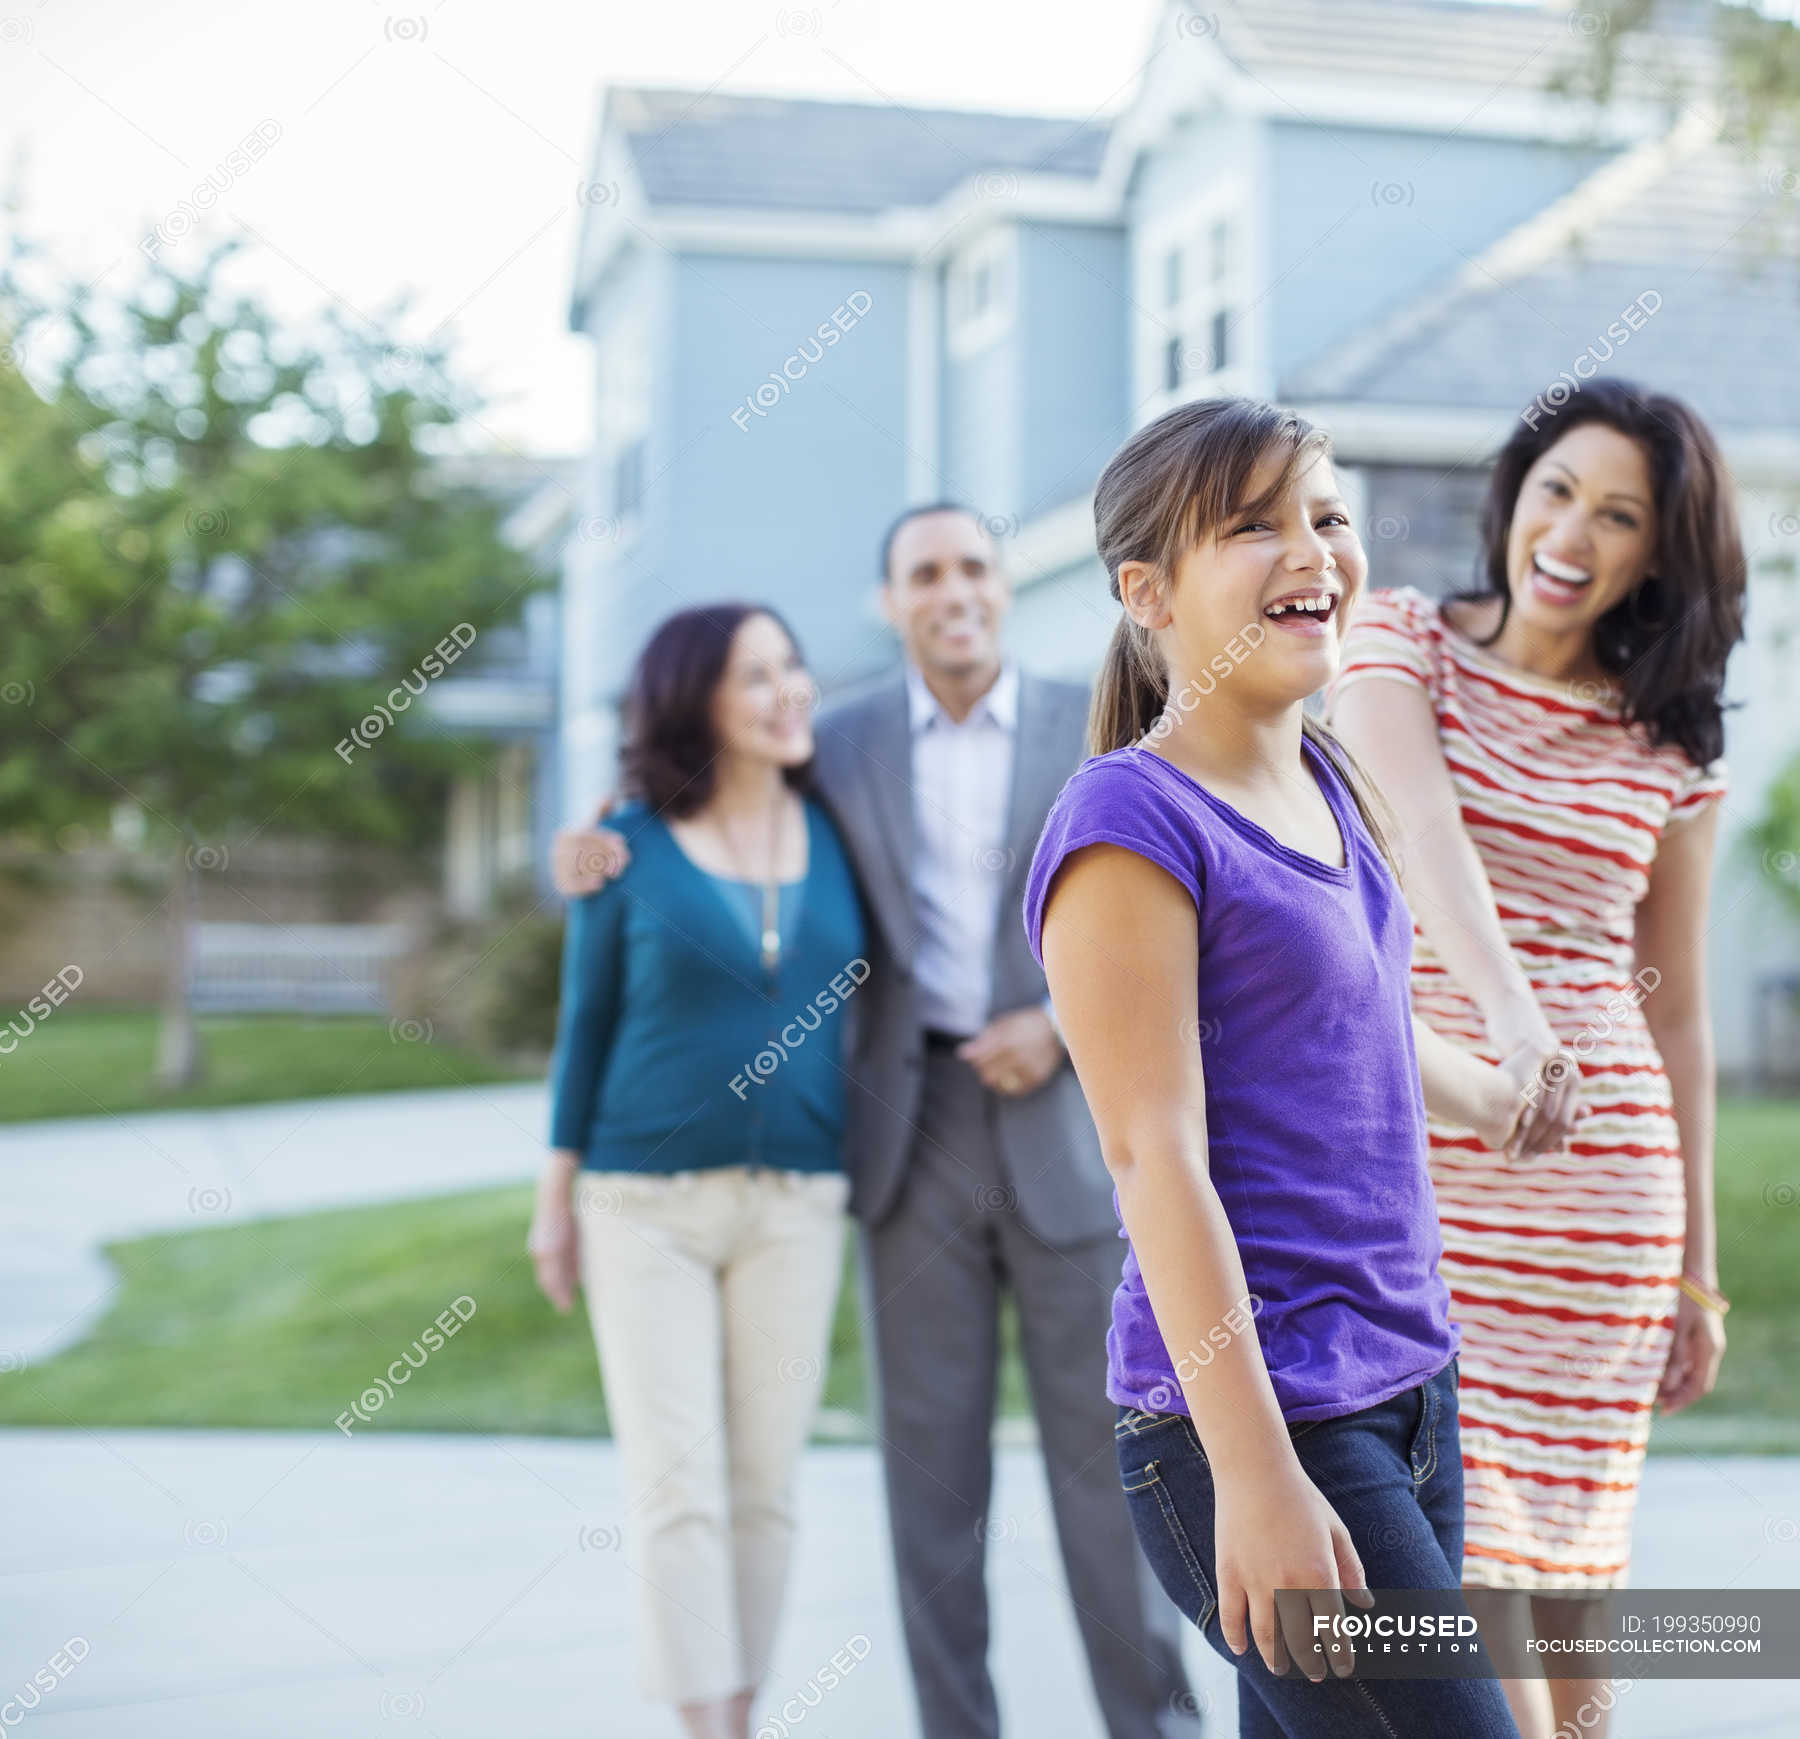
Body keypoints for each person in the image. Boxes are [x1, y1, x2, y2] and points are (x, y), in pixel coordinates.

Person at [552, 505, 1199, 1739]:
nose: (952, 592)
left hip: (1070, 1123)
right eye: (923, 575)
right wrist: (584, 848)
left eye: (972, 568)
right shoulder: (833, 740)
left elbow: (1178, 903)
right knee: (932, 1492)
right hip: (911, 1137)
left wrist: (1061, 1024)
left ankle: (1154, 1725)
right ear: (890, 603)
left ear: (1003, 586)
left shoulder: (1099, 723)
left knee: (1114, 1474)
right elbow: (691, 793)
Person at [1026, 395, 1535, 1737]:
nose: (1312, 548)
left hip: (1408, 1389)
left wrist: (1493, 1095)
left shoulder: (1322, 776)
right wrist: (1252, 1475)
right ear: (1149, 590)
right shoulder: (1130, 818)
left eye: (1325, 514)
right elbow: (1153, 1155)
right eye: (1253, 525)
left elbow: (1345, 1019)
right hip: (1257, 1423)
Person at [1327, 377, 1744, 1739]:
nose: (1572, 531)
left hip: (1604, 1196)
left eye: (1619, 515)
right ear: (1515, 493)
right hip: (1440, 1161)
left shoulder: (1668, 739)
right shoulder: (1400, 639)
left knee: (1570, 1598)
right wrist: (1513, 1029)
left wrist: (1700, 1265)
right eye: (1558, 487)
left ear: (1656, 556)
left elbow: (1675, 1008)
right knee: (1473, 1578)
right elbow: (1426, 839)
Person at [528, 603, 865, 1739]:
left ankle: (743, 1712)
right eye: (754, 676)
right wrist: (552, 1199)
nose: (788, 691)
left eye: (791, 663)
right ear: (697, 705)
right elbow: (585, 1026)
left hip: (800, 1200)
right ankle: (706, 1726)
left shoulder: (838, 827)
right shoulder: (626, 846)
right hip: (642, 1205)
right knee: (678, 1483)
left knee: (766, 1483)